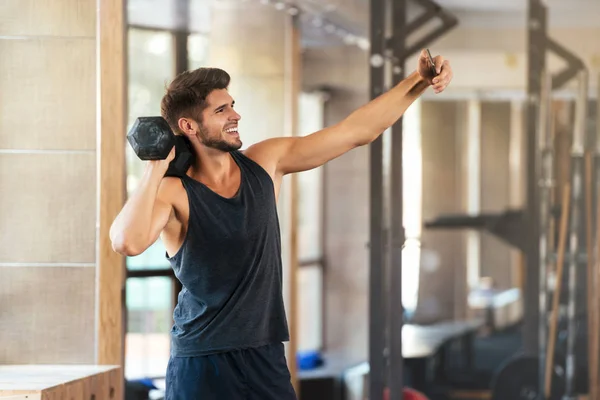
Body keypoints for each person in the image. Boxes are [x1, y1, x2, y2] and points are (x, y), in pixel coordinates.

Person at [110, 49, 453, 400]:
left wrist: (418, 81)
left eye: (232, 105)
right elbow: (127, 242)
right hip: (202, 360)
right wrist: (155, 164)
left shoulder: (265, 162)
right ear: (188, 127)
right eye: (221, 110)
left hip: (265, 354)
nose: (235, 115)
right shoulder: (174, 191)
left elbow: (355, 132)